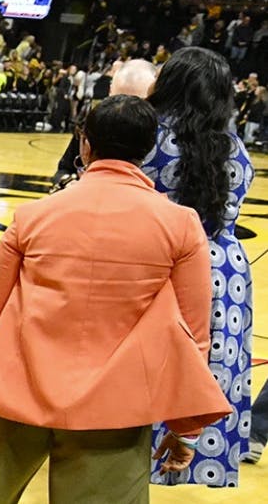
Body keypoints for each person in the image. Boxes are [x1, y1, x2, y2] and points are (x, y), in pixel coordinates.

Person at [0, 95, 230, 503]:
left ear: (85, 144)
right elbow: (193, 335)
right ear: (149, 148)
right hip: (116, 410)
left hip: (15, 392)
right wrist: (186, 427)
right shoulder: (181, 225)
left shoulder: (33, 216)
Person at [140, 46, 255, 489]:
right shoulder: (236, 149)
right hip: (224, 272)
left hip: (163, 264)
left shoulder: (150, 138)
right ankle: (197, 448)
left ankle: (132, 455)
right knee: (208, 365)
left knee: (149, 365)